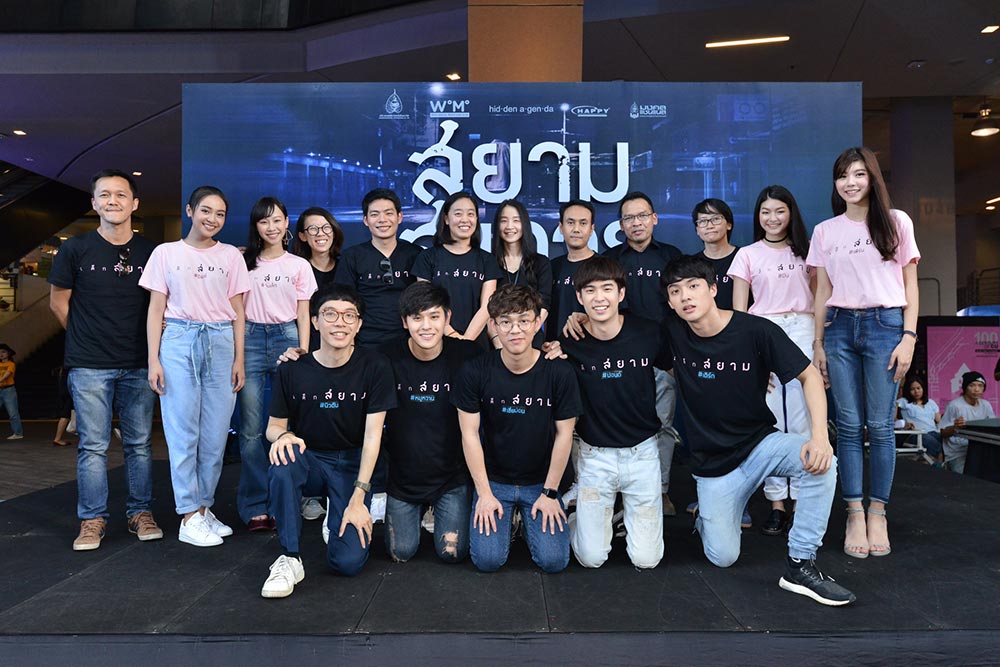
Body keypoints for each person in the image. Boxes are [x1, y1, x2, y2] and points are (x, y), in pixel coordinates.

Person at [661, 255, 854, 606]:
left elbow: (810, 376)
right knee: (723, 557)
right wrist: (579, 319)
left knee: (821, 463)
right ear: (670, 301)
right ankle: (708, 518)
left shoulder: (756, 330)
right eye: (675, 291)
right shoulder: (672, 332)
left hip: (760, 446)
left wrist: (819, 437)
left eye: (693, 286)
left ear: (713, 289)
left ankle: (800, 563)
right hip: (713, 467)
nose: (685, 296)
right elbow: (620, 333)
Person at [808, 146, 920, 559]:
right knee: (849, 426)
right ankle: (854, 511)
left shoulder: (896, 221)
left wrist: (909, 336)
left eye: (858, 174)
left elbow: (911, 284)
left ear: (872, 178)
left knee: (881, 426)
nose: (850, 182)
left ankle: (878, 512)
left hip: (885, 326)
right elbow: (822, 291)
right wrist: (818, 344)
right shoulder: (825, 230)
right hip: (838, 328)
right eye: (842, 176)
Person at [48, 169, 162, 551]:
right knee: (93, 446)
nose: (113, 200)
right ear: (94, 202)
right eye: (105, 194)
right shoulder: (75, 249)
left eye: (121, 194)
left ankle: (140, 512)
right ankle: (92, 519)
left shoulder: (152, 252)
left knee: (139, 444)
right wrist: (85, 336)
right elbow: (58, 302)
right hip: (88, 365)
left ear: (134, 203)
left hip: (139, 361)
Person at [261, 284, 396, 598]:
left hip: (352, 464)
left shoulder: (375, 366)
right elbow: (273, 427)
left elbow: (373, 436)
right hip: (310, 460)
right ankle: (289, 557)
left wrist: (358, 498)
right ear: (315, 321)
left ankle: (340, 513)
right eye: (331, 314)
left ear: (359, 325)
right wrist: (283, 436)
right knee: (284, 459)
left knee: (347, 563)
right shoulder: (293, 368)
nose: (340, 322)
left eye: (350, 316)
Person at [140, 185, 250, 548]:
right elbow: (156, 309)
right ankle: (188, 515)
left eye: (220, 214)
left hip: (221, 340)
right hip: (179, 340)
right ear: (190, 211)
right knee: (183, 432)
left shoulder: (231, 256)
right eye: (206, 211)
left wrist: (239, 358)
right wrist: (153, 358)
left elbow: (238, 311)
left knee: (216, 435)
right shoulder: (165, 253)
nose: (212, 219)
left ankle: (204, 508)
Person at [567, 192, 682, 517]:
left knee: (663, 426)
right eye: (629, 218)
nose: (636, 223)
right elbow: (599, 307)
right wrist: (578, 316)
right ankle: (610, 493)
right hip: (621, 356)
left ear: (654, 218)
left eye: (642, 216)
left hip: (662, 356)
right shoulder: (612, 259)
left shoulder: (671, 256)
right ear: (621, 224)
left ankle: (660, 489)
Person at [454, 284, 581, 573]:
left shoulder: (558, 372)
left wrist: (550, 493)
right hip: (494, 481)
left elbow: (564, 434)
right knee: (487, 560)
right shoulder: (475, 370)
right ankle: (510, 521)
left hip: (540, 482)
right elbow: (469, 434)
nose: (515, 330)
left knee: (553, 561)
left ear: (537, 323)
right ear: (493, 326)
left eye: (524, 320)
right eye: (506, 322)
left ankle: (529, 520)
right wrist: (484, 493)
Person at [559, 256, 667, 570]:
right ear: (579, 297)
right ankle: (577, 513)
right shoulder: (571, 340)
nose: (599, 298)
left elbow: (680, 368)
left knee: (647, 560)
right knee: (591, 559)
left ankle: (622, 515)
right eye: (590, 291)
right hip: (595, 457)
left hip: (642, 454)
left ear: (621, 293)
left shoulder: (649, 332)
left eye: (607, 289)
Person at [729, 185, 815, 536]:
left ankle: (802, 501)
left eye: (779, 211)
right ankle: (777, 503)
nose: (772, 218)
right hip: (762, 331)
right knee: (771, 420)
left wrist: (820, 344)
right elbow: (738, 312)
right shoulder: (747, 254)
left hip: (803, 328)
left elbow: (820, 298)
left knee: (804, 417)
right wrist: (748, 356)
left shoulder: (808, 251)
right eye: (765, 212)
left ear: (791, 213)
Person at [380, 282, 479, 563]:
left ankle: (438, 510)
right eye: (417, 318)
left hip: (451, 479)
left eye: (434, 316)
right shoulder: (385, 357)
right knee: (401, 552)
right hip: (403, 480)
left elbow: (509, 362)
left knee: (452, 554)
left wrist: (553, 349)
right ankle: (417, 512)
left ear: (447, 318)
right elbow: (345, 364)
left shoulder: (468, 355)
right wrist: (301, 359)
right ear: (405, 322)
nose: (426, 326)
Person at [237, 197, 317, 532]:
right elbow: (236, 311)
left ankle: (293, 497)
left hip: (288, 338)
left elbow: (304, 313)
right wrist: (238, 356)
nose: (271, 227)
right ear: (256, 226)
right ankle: (257, 504)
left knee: (293, 425)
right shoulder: (243, 262)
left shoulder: (299, 265)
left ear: (287, 224)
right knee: (252, 429)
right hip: (251, 339)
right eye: (264, 221)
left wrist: (304, 351)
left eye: (277, 220)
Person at [291, 206, 343, 521]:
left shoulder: (347, 265)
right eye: (313, 229)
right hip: (308, 353)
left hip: (343, 354)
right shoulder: (295, 267)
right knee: (307, 421)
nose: (321, 234)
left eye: (326, 228)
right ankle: (308, 493)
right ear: (302, 236)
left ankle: (339, 491)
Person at [333, 189, 420, 349]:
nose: (382, 220)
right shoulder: (352, 256)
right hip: (365, 342)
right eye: (374, 214)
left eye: (388, 213)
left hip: (410, 341)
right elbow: (343, 302)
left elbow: (425, 299)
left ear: (399, 217)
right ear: (365, 220)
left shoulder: (416, 254)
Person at [413, 191, 502, 344]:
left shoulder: (487, 260)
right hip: (437, 340)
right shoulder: (427, 257)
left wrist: (466, 341)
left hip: (476, 343)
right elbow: (426, 303)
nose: (465, 219)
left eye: (471, 214)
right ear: (446, 219)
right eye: (458, 214)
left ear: (476, 219)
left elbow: (486, 307)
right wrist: (452, 334)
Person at [491, 199, 552, 348]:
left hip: (531, 341)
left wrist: (526, 335)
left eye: (516, 220)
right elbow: (487, 308)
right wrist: (498, 342)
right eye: (504, 221)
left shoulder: (541, 262)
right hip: (498, 341)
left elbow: (544, 305)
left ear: (524, 224)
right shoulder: (489, 262)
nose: (509, 226)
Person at [546, 199, 596, 343]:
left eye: (583, 223)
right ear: (561, 228)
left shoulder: (604, 267)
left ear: (592, 229)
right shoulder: (552, 267)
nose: (576, 229)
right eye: (570, 222)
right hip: (554, 349)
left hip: (591, 349)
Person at [939, 371, 994, 474]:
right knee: (967, 479)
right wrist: (955, 427)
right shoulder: (954, 405)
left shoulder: (986, 405)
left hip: (981, 452)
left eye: (980, 386)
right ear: (965, 388)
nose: (976, 389)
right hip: (958, 454)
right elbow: (942, 433)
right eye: (972, 385)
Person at [692, 198, 740, 309]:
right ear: (697, 230)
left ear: (729, 224)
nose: (709, 226)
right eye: (703, 221)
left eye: (716, 219)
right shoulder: (692, 264)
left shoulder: (744, 257)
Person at [896, 376, 942, 462]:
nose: (916, 391)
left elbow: (939, 421)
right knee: (938, 447)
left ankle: (941, 461)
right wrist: (904, 424)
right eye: (912, 389)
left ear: (923, 388)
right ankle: (940, 463)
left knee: (948, 441)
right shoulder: (904, 401)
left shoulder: (931, 402)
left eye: (918, 388)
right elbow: (892, 418)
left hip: (934, 432)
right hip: (917, 435)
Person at [0, 343, 23, 440]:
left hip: (9, 390)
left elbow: (8, 374)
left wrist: (0, 380)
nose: (1, 354)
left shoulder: (11, 364)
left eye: (3, 352)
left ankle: (18, 433)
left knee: (13, 413)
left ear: (8, 353)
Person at [52, 365, 74, 446]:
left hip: (65, 393)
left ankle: (57, 438)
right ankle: (57, 438)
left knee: (66, 414)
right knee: (66, 415)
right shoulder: (71, 370)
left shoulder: (63, 370)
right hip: (70, 393)